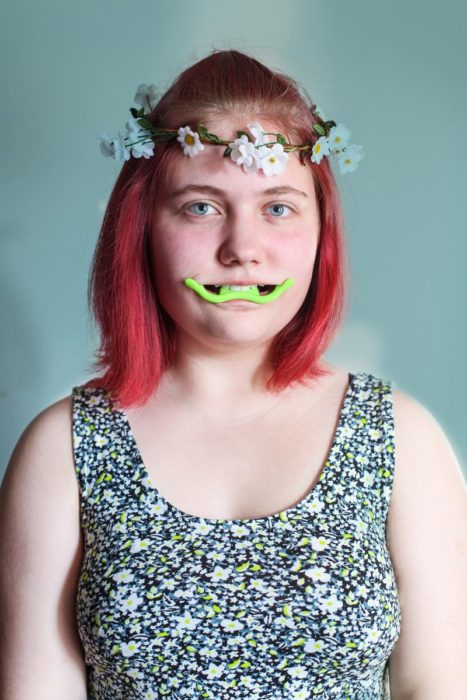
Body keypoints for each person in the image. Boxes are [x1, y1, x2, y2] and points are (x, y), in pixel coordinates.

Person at [0, 50, 466, 700]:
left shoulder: (400, 438)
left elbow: (437, 685)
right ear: (141, 228)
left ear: (320, 230)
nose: (241, 247)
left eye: (277, 208)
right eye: (199, 207)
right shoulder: (62, 450)